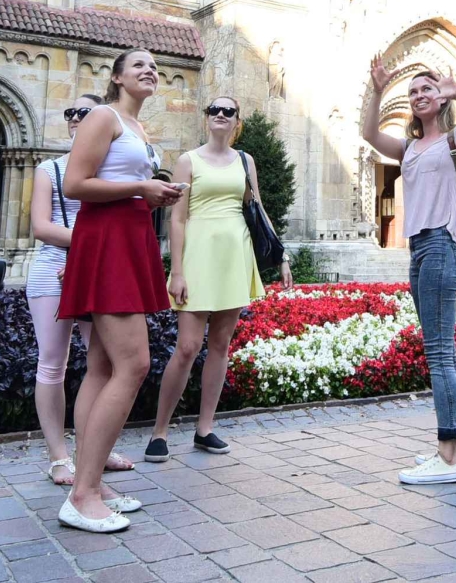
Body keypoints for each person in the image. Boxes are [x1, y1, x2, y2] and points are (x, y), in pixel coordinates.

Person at [361, 58, 456, 485]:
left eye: (427, 89)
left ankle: (447, 458)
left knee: (439, 353)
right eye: (413, 91)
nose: (419, 94)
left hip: (444, 244)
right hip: (419, 249)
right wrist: (376, 90)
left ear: (438, 98)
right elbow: (369, 134)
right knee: (445, 349)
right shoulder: (408, 148)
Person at [57, 49, 182, 533]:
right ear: (116, 77)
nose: (149, 70)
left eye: (154, 66)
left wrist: (154, 192)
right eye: (138, 65)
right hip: (107, 241)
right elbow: (74, 183)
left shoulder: (139, 129)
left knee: (104, 367)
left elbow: (125, 183)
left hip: (130, 240)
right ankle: (82, 493)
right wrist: (141, 190)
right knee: (134, 364)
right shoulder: (102, 116)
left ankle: (93, 482)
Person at [145, 97, 293, 461]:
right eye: (215, 110)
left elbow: (257, 208)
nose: (221, 115)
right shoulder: (188, 161)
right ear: (206, 118)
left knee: (221, 345)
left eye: (228, 111)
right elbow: (176, 219)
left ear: (236, 121)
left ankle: (205, 428)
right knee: (187, 346)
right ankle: (160, 431)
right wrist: (176, 270)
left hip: (234, 256)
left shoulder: (245, 160)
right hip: (198, 256)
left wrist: (282, 255)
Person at [26, 92, 134, 486]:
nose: (75, 118)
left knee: (102, 365)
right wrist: (87, 245)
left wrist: (92, 253)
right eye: (70, 112)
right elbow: (41, 227)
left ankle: (94, 451)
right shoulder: (49, 169)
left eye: (84, 112)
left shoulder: (113, 172)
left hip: (95, 270)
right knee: (52, 363)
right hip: (53, 268)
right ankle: (59, 457)